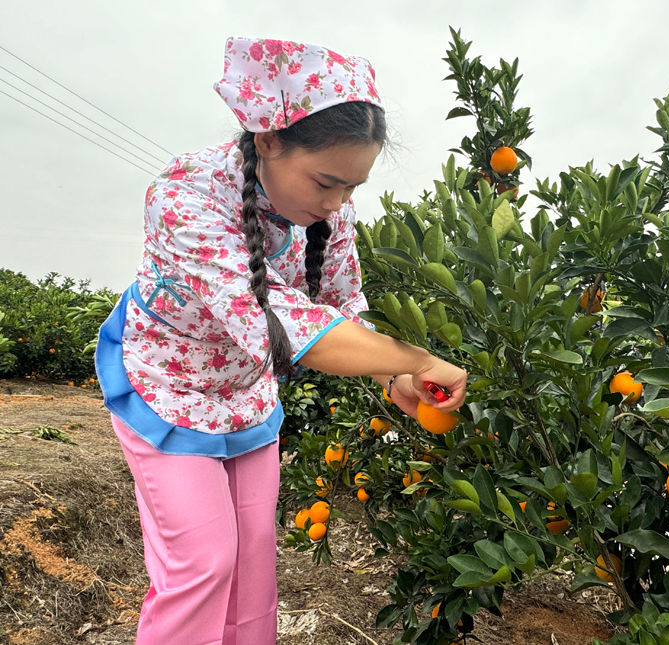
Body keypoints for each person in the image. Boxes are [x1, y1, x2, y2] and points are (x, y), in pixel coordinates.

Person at [94, 36, 467, 645]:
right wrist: (421, 358)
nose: (336, 204)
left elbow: (343, 310)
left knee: (254, 564)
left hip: (247, 396)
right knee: (204, 564)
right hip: (170, 390)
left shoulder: (332, 215)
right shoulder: (187, 194)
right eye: (326, 182)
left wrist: (392, 375)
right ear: (269, 139)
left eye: (351, 189)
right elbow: (273, 321)